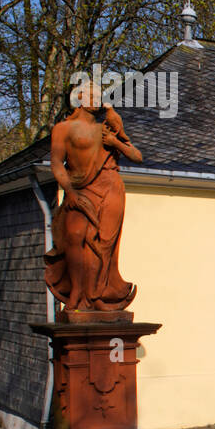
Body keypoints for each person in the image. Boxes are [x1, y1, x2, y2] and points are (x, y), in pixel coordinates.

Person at [43, 81, 142, 312]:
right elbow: (57, 163)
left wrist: (115, 141)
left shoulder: (105, 128)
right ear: (79, 97)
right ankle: (77, 293)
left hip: (110, 187)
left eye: (99, 95)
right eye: (92, 94)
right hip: (79, 188)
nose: (97, 99)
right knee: (75, 235)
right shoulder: (63, 129)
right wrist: (70, 191)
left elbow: (136, 156)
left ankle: (97, 294)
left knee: (103, 242)